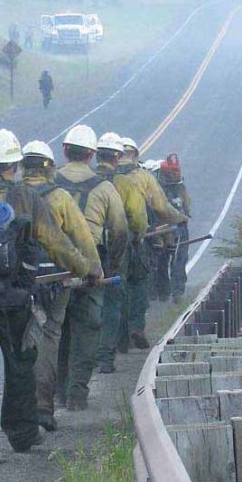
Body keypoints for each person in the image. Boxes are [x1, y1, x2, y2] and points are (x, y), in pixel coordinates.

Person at [0, 129, 101, 462]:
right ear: (15, 164)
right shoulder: (28, 198)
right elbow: (56, 243)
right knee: (20, 367)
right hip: (16, 302)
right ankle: (22, 434)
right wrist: (86, 269)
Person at [20, 140, 102, 431]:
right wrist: (94, 272)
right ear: (49, 167)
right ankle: (44, 404)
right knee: (50, 337)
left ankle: (21, 409)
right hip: (55, 282)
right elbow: (82, 240)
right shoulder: (60, 198)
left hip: (16, 284)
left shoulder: (9, 197)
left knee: (18, 342)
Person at [55, 125, 128, 409]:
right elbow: (120, 230)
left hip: (56, 261)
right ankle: (77, 394)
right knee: (87, 328)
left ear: (64, 151)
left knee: (56, 329)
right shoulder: (105, 187)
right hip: (91, 262)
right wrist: (112, 264)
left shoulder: (51, 184)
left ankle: (58, 391)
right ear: (92, 155)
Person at [116, 137, 187, 350]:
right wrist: (179, 218)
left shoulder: (101, 177)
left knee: (114, 290)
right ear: (135, 155)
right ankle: (135, 327)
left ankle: (116, 339)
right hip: (137, 240)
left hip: (107, 242)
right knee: (138, 284)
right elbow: (161, 207)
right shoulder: (143, 177)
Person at [94, 132, 148, 374]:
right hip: (116, 249)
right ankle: (108, 354)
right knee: (115, 299)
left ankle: (89, 355)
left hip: (86, 249)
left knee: (89, 302)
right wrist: (136, 238)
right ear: (117, 157)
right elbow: (137, 220)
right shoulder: (125, 184)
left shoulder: (88, 180)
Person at [156, 154, 191, 303]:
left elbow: (187, 204)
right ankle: (170, 291)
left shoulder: (178, 187)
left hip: (176, 228)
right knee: (166, 260)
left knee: (177, 260)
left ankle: (173, 291)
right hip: (166, 229)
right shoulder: (160, 189)